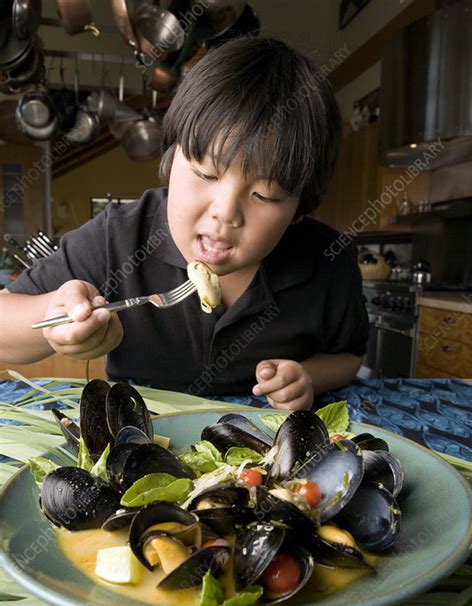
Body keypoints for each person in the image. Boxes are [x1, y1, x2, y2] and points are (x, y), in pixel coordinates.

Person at [0, 36, 368, 411]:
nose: (225, 213)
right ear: (170, 160)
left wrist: (307, 376)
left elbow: (349, 356)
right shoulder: (119, 236)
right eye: (206, 174)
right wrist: (54, 316)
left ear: (299, 208)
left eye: (266, 195)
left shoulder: (329, 260)